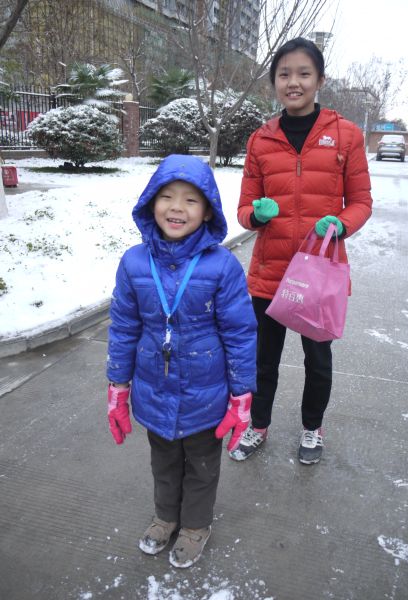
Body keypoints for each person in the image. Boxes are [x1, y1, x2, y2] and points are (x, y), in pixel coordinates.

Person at [106, 154, 257, 568]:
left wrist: (242, 393)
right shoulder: (134, 262)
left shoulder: (221, 265)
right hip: (154, 391)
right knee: (164, 462)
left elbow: (240, 332)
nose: (177, 207)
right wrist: (118, 386)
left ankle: (195, 525)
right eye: (167, 197)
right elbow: (123, 327)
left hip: (206, 396)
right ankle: (165, 517)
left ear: (207, 210)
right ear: (150, 203)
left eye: (191, 200)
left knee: (203, 466)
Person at [232, 36, 372, 465]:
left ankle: (312, 428)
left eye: (303, 74)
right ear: (274, 81)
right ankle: (258, 427)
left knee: (318, 360)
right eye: (284, 74)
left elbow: (362, 202)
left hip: (318, 274)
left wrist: (341, 224)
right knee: (262, 362)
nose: (293, 82)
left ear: (319, 80)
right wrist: (257, 215)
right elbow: (242, 210)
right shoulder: (260, 140)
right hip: (269, 273)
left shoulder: (345, 136)